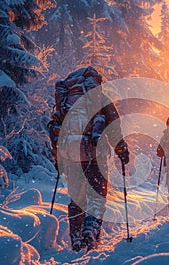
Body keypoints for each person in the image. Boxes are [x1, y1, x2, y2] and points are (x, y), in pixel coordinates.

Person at [48, 66, 129, 251]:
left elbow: (55, 130)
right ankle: (90, 231)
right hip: (96, 157)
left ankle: (76, 237)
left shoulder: (65, 102)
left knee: (77, 198)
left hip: (71, 158)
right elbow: (114, 128)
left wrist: (57, 159)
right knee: (97, 197)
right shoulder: (100, 99)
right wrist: (122, 151)